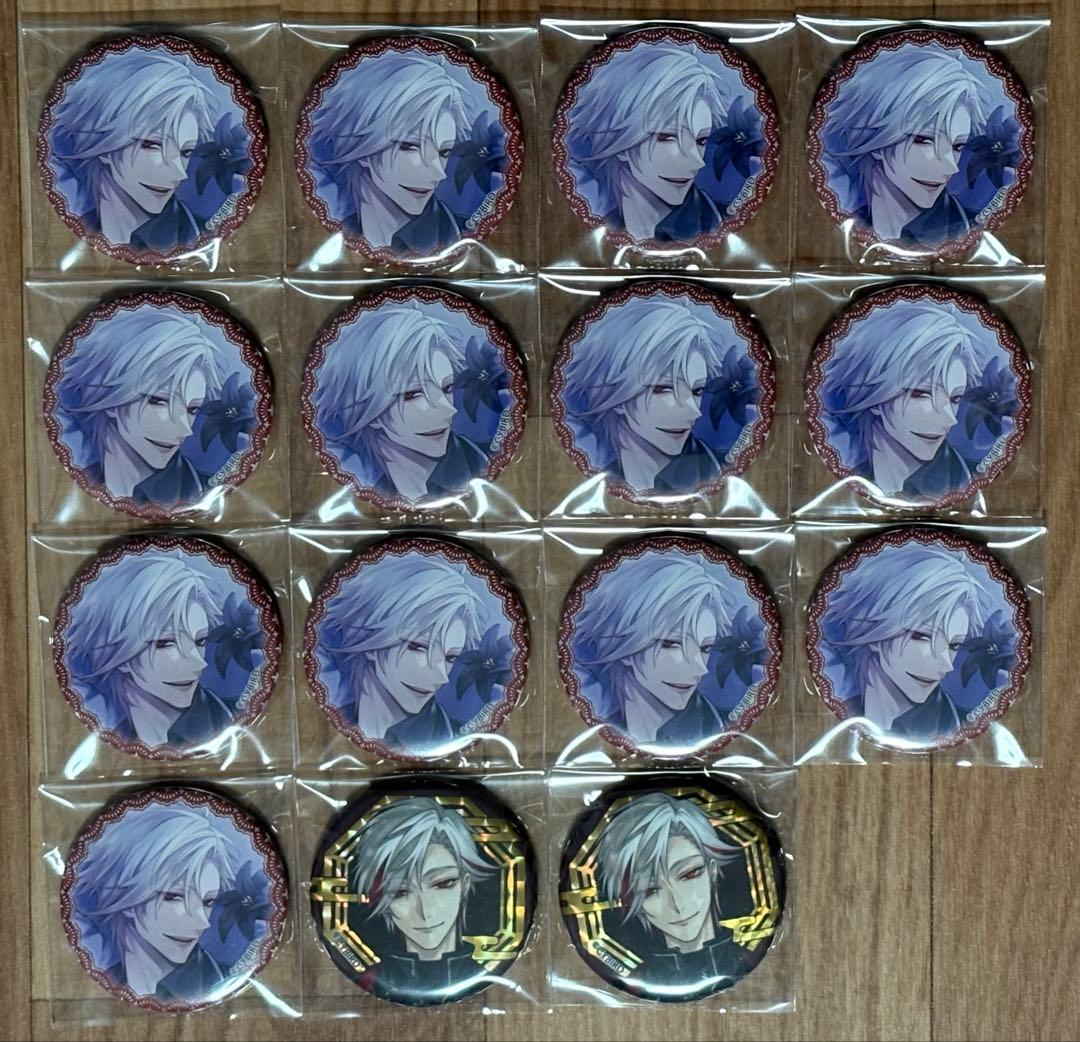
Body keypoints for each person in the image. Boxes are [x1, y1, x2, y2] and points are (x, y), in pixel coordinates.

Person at [311, 300, 496, 503]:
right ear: (366, 406)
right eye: (413, 394)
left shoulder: (476, 464)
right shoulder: (350, 465)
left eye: (447, 388)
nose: (449, 410)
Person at [819, 40, 998, 246]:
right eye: (924, 140)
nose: (951, 167)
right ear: (875, 137)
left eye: (957, 146)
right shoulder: (847, 217)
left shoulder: (969, 228)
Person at [560, 293, 738, 494]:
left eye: (697, 391)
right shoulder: (603, 475)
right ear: (614, 393)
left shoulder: (718, 468)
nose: (693, 412)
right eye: (663, 389)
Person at [563, 39, 738, 241]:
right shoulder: (595, 221)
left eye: (701, 140)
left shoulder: (719, 222)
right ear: (619, 141)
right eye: (667, 137)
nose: (696, 162)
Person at [52, 304, 228, 506]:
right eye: (159, 401)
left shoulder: (205, 492)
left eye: (192, 409)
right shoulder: (78, 479)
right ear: (109, 394)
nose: (184, 429)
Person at [304, 49, 478, 252]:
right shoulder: (339, 225)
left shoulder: (459, 234)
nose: (438, 173)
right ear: (361, 144)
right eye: (410, 146)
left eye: (444, 152)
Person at [45, 47, 219, 249]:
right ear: (102, 141)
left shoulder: (199, 236)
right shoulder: (73, 226)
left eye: (186, 152)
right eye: (152, 145)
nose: (179, 173)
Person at [819, 541, 995, 741]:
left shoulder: (959, 724)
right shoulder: (842, 699)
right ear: (873, 628)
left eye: (954, 645)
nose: (946, 665)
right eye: (922, 636)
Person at [70, 802, 245, 1001]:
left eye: (208, 901)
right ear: (124, 893)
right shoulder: (105, 974)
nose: (202, 922)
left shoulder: (220, 981)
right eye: (174, 896)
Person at [316, 551, 489, 750]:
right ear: (369, 636)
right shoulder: (337, 717)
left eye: (450, 657)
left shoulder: (456, 735)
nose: (441, 677)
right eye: (418, 647)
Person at [62, 548, 233, 749]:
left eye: (200, 641)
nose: (199, 663)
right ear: (116, 650)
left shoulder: (225, 720)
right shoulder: (103, 720)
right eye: (165, 643)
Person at [818, 298, 988, 498]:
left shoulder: (966, 478)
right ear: (873, 393)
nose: (949, 419)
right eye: (921, 393)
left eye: (955, 398)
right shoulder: (852, 475)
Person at [571, 550, 735, 748]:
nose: (700, 668)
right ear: (623, 642)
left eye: (705, 648)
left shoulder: (723, 725)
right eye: (671, 643)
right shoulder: (602, 723)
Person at [350, 797, 494, 997]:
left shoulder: (485, 973)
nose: (425, 911)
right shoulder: (373, 980)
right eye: (400, 892)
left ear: (465, 884)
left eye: (443, 883)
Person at [596, 793, 745, 984]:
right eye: (649, 891)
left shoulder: (745, 960)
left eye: (689, 874)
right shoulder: (638, 980)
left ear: (712, 871)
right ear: (635, 902)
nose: (677, 903)